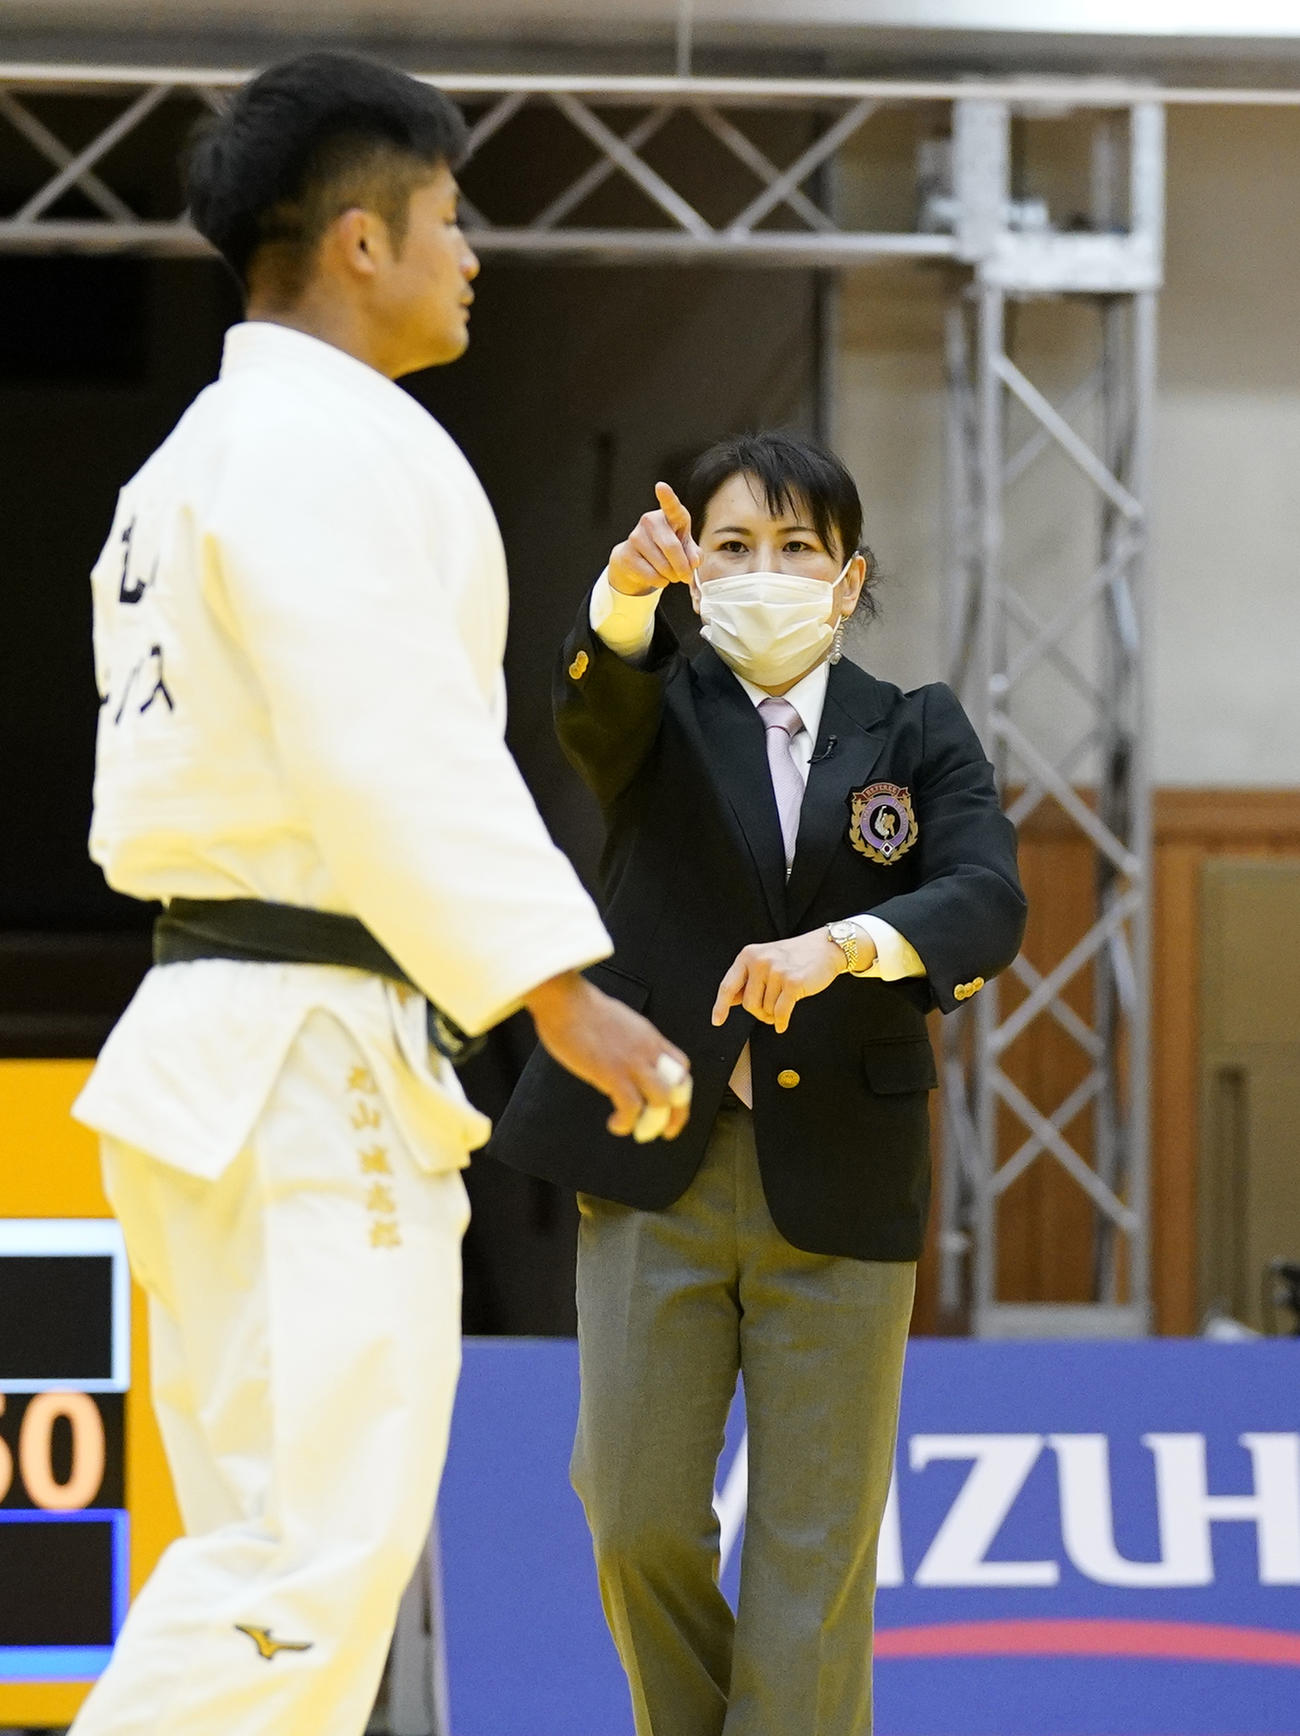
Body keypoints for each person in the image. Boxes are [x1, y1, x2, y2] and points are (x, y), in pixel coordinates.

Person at [69, 51, 691, 1736]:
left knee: (279, 1560)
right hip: (300, 1053)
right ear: (361, 242)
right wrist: (559, 990)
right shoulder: (312, 450)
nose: (475, 252)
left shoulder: (205, 459)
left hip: (236, 1037)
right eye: (452, 215)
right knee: (308, 1568)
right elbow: (386, 750)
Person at [488, 432, 1027, 1735]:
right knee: (633, 1515)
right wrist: (622, 595)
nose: (765, 570)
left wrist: (845, 944)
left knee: (812, 1549)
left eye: (797, 548)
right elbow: (587, 704)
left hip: (845, 1176)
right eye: (733, 546)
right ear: (692, 571)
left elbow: (984, 899)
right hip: (655, 1160)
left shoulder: (917, 729)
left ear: (848, 580)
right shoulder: (656, 713)